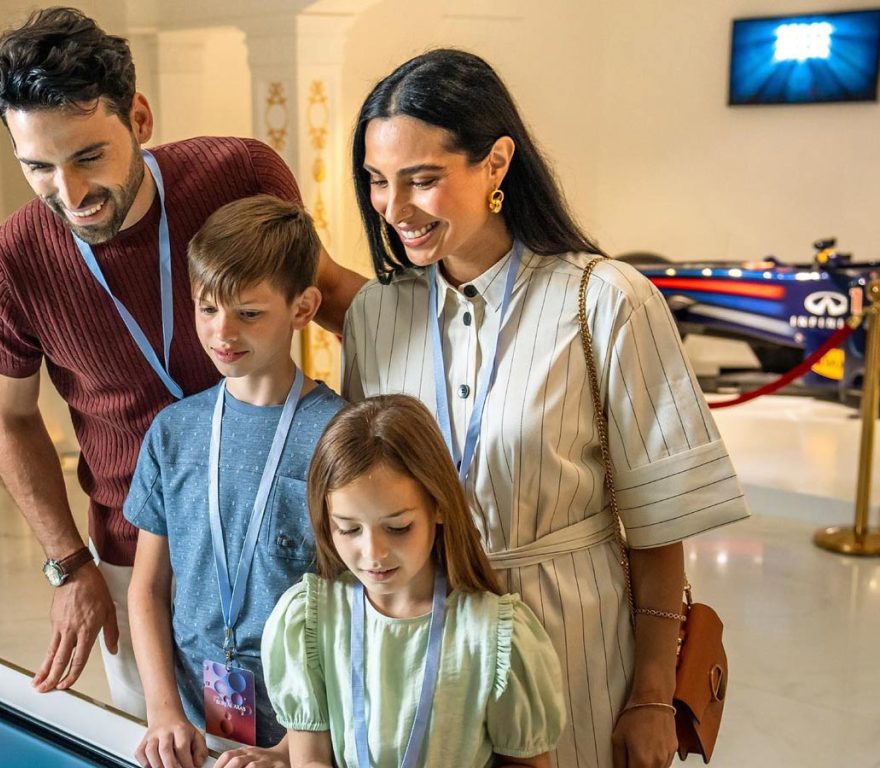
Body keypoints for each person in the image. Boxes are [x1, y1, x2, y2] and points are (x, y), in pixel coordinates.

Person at [342, 49, 750, 768]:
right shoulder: (376, 315)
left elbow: (657, 528)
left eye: (422, 179)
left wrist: (651, 695)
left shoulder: (606, 300)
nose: (393, 208)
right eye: (378, 182)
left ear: (496, 164)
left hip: (573, 647)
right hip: (424, 649)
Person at [0, 6, 364, 717]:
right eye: (39, 168)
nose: (73, 194)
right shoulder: (6, 267)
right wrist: (69, 565)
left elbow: (333, 296)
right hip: (137, 551)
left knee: (314, 730)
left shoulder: (238, 174)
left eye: (89, 155)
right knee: (164, 736)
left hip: (284, 530)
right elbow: (13, 419)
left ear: (140, 118)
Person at [125, 195, 345, 768]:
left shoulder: (340, 436)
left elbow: (359, 608)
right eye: (206, 308)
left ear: (304, 308)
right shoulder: (173, 432)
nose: (222, 332)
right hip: (197, 730)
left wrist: (288, 752)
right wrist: (163, 711)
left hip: (308, 738)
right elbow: (148, 587)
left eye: (249, 313)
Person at [262, 394, 565, 767]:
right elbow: (310, 760)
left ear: (438, 506)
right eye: (349, 529)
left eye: (398, 527)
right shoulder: (309, 620)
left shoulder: (496, 636)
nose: (373, 552)